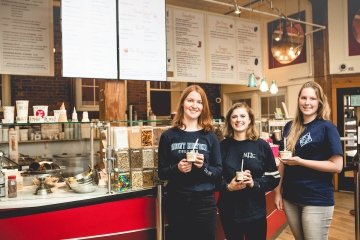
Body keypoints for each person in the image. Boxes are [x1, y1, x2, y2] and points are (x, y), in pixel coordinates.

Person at [274, 81, 343, 240]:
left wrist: (301, 161)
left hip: (316, 198)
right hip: (291, 197)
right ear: (298, 100)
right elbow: (284, 162)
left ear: (319, 102)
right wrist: (278, 191)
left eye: (312, 98)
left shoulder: (327, 127)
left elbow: (337, 166)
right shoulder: (290, 126)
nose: (307, 102)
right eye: (303, 98)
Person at [158, 84, 222, 240]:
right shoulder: (168, 136)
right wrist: (177, 168)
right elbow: (162, 173)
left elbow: (218, 171)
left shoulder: (210, 136)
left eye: (199, 102)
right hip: (176, 201)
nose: (194, 105)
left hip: (204, 203)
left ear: (203, 106)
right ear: (182, 103)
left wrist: (203, 167)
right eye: (190, 100)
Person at [217, 102, 280, 240]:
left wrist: (254, 183)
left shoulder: (261, 145)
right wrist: (228, 186)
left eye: (242, 116)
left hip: (255, 211)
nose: (238, 119)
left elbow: (274, 177)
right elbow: (214, 178)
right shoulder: (222, 146)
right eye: (234, 116)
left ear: (250, 119)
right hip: (229, 211)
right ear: (229, 120)